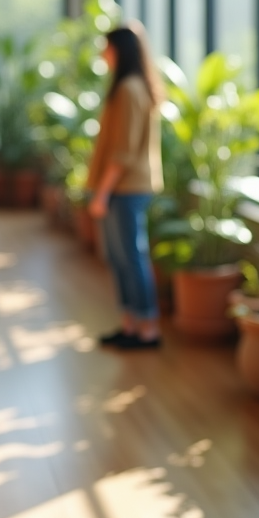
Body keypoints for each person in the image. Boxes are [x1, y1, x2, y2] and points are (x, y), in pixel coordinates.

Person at [87, 22, 167, 349]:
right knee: (120, 256)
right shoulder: (128, 87)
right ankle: (131, 323)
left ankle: (148, 328)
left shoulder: (130, 89)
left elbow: (123, 151)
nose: (102, 54)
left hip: (126, 188)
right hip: (123, 187)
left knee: (131, 255)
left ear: (118, 50)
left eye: (106, 47)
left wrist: (103, 192)